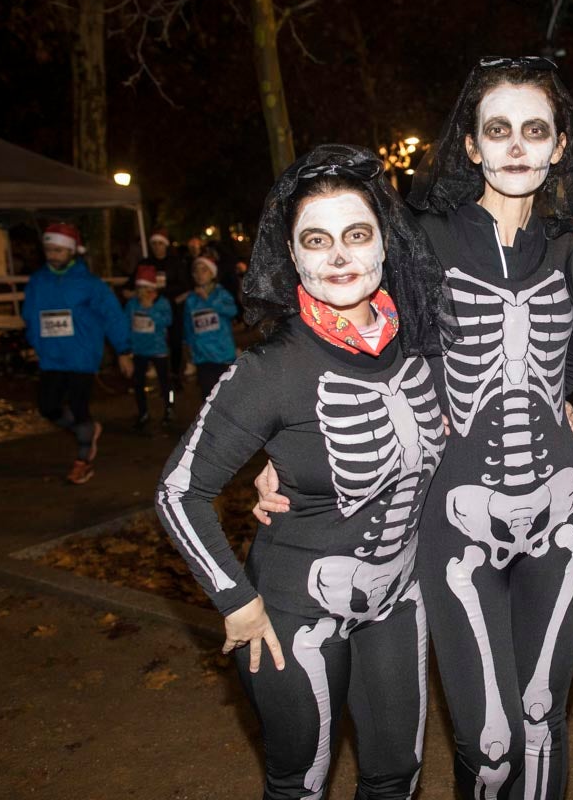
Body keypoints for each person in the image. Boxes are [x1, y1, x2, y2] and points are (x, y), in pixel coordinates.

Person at [155, 145, 454, 799]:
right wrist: (235, 601)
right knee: (301, 782)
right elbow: (180, 491)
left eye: (356, 235)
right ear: (293, 257)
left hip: (399, 601)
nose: (340, 256)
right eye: (316, 241)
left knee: (396, 774)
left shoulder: (421, 344)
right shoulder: (270, 369)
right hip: (294, 611)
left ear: (385, 245)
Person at [406, 55, 573, 798]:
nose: (516, 145)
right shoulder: (420, 242)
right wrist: (283, 452)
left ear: (557, 147)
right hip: (457, 512)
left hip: (563, 502)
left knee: (544, 719)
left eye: (534, 130)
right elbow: (355, 341)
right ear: (471, 147)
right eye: (498, 130)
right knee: (485, 741)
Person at [23, 222, 133, 484]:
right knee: (48, 407)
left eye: (59, 251)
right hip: (51, 358)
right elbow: (30, 317)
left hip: (82, 356)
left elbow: (113, 317)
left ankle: (83, 460)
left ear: (72, 251)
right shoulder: (38, 281)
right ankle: (87, 431)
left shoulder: (90, 285)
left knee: (78, 406)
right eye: (49, 250)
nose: (53, 255)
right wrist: (35, 344)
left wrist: (123, 350)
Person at [126, 228, 191, 377]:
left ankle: (175, 373)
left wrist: (164, 293)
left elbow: (185, 285)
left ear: (165, 245)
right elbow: (131, 284)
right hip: (148, 310)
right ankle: (155, 370)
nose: (157, 247)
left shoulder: (175, 263)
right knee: (151, 341)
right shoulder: (145, 263)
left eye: (160, 243)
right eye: (154, 243)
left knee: (175, 342)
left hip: (172, 309)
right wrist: (132, 292)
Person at [182, 254, 238, 397]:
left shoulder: (221, 294)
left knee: (227, 396)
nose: (200, 274)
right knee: (208, 396)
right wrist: (189, 350)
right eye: (196, 271)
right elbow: (189, 327)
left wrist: (210, 301)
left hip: (223, 354)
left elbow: (233, 311)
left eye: (204, 270)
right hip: (202, 356)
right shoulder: (191, 299)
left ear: (212, 273)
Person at [125, 265, 173, 430]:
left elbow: (167, 321)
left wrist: (150, 309)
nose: (142, 291)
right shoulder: (132, 304)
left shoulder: (162, 303)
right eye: (139, 287)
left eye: (146, 287)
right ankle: (143, 413)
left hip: (158, 349)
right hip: (139, 350)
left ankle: (169, 408)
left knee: (165, 383)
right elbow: (127, 325)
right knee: (138, 384)